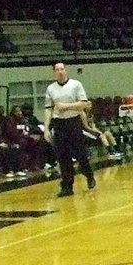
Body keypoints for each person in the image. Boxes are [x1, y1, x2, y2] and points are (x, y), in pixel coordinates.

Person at [44, 62, 96, 197]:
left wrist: (66, 107)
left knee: (80, 153)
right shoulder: (50, 88)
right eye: (57, 70)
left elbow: (83, 103)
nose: (60, 71)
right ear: (54, 72)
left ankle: (89, 175)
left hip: (73, 122)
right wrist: (46, 128)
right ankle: (67, 185)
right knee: (62, 155)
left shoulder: (75, 84)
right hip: (59, 124)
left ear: (65, 71)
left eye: (62, 69)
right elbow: (48, 109)